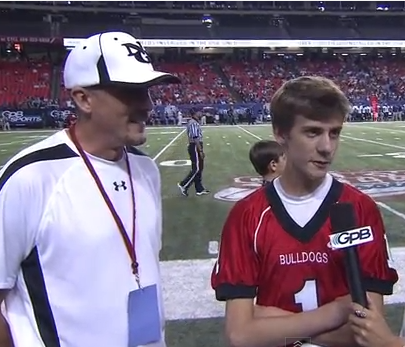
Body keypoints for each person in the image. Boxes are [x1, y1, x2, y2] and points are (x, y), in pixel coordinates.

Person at [0, 31, 180, 347]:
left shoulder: (146, 169)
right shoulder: (29, 177)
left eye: (148, 91)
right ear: (83, 99)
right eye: (131, 92)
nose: (147, 104)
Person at [211, 76, 398, 347]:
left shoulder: (360, 209)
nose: (327, 147)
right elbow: (240, 337)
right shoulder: (247, 216)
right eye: (312, 132)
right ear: (280, 133)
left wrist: (272, 327)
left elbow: (368, 333)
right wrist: (334, 312)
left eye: (334, 132)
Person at [177, 109, 209, 197]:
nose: (201, 113)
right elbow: (195, 137)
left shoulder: (194, 122)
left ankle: (199, 188)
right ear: (195, 113)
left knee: (200, 167)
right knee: (197, 168)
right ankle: (183, 185)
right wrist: (200, 150)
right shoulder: (193, 123)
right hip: (195, 146)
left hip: (195, 146)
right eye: (199, 112)